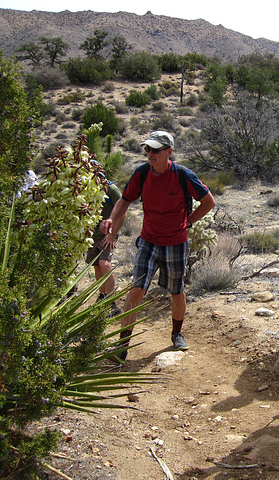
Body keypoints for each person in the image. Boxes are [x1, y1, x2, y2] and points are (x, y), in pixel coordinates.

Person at [100, 131, 216, 361]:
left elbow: (209, 201)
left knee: (176, 290)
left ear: (169, 152)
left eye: (155, 150)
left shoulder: (183, 174)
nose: (150, 154)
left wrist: (188, 223)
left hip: (175, 242)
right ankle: (122, 345)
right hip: (148, 240)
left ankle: (177, 333)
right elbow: (125, 200)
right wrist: (113, 219)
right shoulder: (142, 173)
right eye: (148, 150)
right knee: (136, 289)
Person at [86, 178, 125, 316]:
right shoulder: (87, 186)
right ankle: (102, 296)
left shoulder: (111, 189)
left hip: (107, 234)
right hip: (92, 234)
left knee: (104, 263)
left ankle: (111, 301)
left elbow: (122, 209)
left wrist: (113, 234)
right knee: (96, 265)